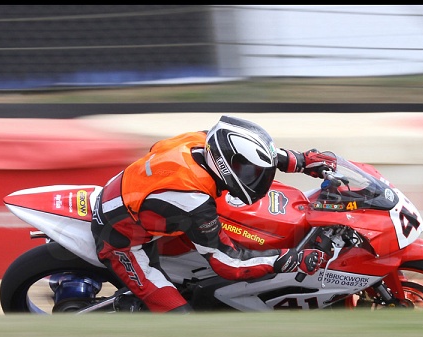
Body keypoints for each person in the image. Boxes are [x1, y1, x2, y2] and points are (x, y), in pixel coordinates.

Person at [91, 115, 338, 313]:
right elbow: (229, 263)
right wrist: (290, 259)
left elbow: (254, 152)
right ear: (224, 165)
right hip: (122, 239)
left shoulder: (201, 141)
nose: (257, 178)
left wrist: (301, 160)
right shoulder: (192, 200)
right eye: (250, 172)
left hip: (139, 199)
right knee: (182, 321)